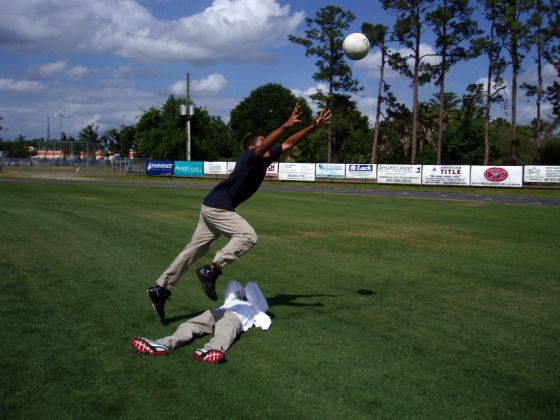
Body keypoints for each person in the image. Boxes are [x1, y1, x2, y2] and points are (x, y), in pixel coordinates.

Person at [147, 103, 332, 320]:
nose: (267, 145)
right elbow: (266, 146)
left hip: (211, 206)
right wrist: (285, 125)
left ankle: (161, 288)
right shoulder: (248, 158)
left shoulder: (264, 160)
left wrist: (313, 126)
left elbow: (288, 143)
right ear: (251, 148)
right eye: (262, 141)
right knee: (247, 236)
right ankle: (212, 269)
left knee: (191, 251)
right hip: (218, 207)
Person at [132, 280, 271, 364]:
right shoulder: (233, 301)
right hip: (218, 312)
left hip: (234, 319)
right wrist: (243, 292)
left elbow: (254, 290)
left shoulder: (256, 310)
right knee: (190, 325)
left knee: (225, 334)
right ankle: (161, 344)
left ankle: (209, 351)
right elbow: (234, 285)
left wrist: (263, 321)